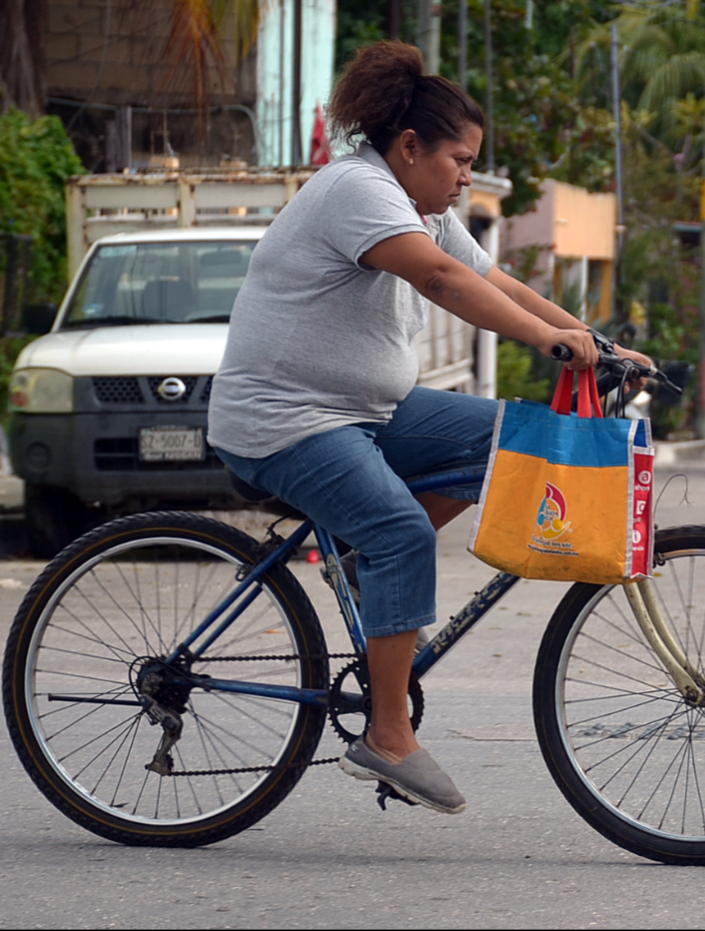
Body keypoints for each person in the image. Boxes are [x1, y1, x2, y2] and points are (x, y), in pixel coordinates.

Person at [207, 41, 649, 815]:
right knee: (402, 533)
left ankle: (357, 550)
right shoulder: (356, 188)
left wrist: (598, 344)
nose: (465, 176)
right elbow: (441, 281)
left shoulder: (421, 208)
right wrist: (547, 343)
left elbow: (491, 277)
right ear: (408, 147)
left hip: (367, 411)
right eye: (460, 159)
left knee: (517, 440)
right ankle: (386, 733)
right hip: (284, 417)